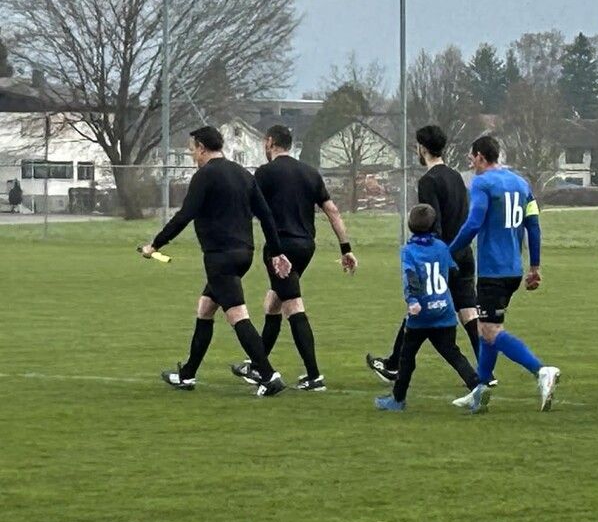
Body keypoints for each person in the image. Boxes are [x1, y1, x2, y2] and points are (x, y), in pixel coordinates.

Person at [141, 126, 291, 397]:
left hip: (220, 257)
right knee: (206, 308)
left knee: (237, 316)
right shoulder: (243, 174)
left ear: (200, 147)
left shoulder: (205, 176)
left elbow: (185, 215)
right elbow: (267, 216)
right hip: (243, 253)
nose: (191, 155)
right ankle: (187, 375)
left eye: (191, 150)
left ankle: (268, 375)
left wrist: (155, 244)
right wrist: (278, 252)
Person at [232, 124, 356, 392]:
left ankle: (314, 376)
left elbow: (247, 207)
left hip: (280, 248)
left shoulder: (266, 173)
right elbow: (332, 211)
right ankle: (257, 362)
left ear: (270, 142)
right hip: (305, 246)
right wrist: (345, 247)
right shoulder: (310, 173)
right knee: (273, 301)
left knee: (292, 305)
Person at [447, 135, 560, 413]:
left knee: (490, 330)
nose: (470, 162)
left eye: (472, 157)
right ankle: (481, 393)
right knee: (488, 330)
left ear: (482, 157)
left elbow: (473, 224)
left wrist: (448, 251)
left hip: (492, 271)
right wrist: (535, 266)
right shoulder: (521, 183)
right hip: (513, 269)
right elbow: (533, 226)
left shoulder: (483, 183)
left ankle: (541, 370)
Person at [367, 124, 480, 382]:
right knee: (468, 311)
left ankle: (395, 365)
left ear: (423, 148)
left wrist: (430, 253)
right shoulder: (456, 177)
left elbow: (432, 221)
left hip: (442, 255)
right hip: (464, 253)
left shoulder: (429, 180)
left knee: (418, 308)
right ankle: (486, 367)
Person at [374, 204, 481, 412]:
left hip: (421, 314)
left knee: (406, 357)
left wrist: (413, 300)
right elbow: (453, 270)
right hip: (444, 312)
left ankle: (397, 399)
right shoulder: (441, 247)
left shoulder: (409, 251)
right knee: (453, 354)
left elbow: (411, 276)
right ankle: (477, 387)